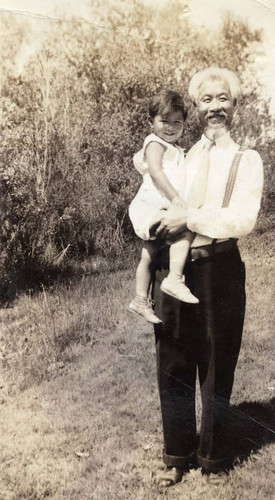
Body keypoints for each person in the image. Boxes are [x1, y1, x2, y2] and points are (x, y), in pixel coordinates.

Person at [149, 68, 264, 488]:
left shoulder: (246, 160)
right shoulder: (181, 154)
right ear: (195, 108)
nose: (214, 107)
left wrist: (188, 217)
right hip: (174, 269)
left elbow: (241, 220)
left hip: (220, 268)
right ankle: (177, 454)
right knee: (173, 361)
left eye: (222, 99)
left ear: (235, 105)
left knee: (217, 361)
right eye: (206, 101)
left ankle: (214, 457)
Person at [128, 90, 199, 325]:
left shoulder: (177, 149)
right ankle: (175, 278)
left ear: (184, 124)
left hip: (155, 205)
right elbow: (157, 172)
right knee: (186, 228)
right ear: (151, 122)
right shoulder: (154, 143)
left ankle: (140, 299)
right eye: (164, 121)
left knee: (148, 253)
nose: (170, 127)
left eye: (177, 122)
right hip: (155, 203)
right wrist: (176, 198)